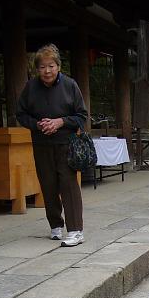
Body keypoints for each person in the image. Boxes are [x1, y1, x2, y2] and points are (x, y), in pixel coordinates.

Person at [16, 44, 88, 247]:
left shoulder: (70, 85)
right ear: (36, 69)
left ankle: (75, 230)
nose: (47, 71)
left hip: (65, 143)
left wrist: (60, 122)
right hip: (41, 142)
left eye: (51, 66)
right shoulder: (31, 87)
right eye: (42, 67)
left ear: (58, 66)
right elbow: (21, 113)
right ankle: (55, 225)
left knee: (68, 184)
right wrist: (37, 125)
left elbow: (81, 115)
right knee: (47, 184)